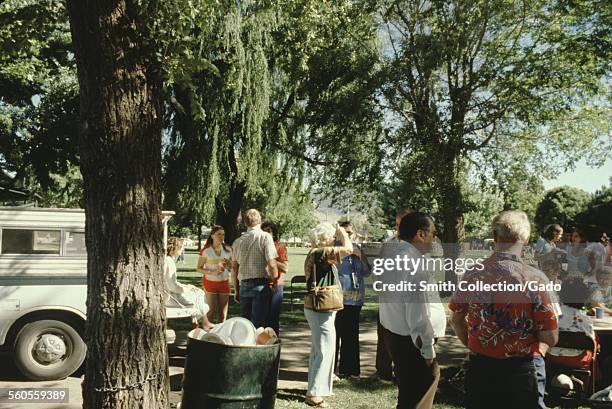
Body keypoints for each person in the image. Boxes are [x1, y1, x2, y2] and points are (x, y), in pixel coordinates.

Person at [450, 210, 559, 409]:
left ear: (494, 236)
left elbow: (457, 319)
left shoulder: (473, 273)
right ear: (525, 239)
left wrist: (475, 346)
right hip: (522, 369)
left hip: (481, 367)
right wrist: (540, 352)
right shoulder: (535, 278)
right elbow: (550, 336)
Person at [378, 212, 446, 409]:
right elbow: (417, 312)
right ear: (420, 234)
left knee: (408, 396)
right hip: (412, 341)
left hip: (395, 336)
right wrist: (427, 349)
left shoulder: (394, 258)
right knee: (420, 396)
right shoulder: (413, 263)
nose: (435, 238)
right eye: (433, 232)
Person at [303, 223, 353, 408]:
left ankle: (314, 389)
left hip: (315, 307)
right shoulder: (322, 253)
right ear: (326, 238)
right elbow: (349, 249)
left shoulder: (316, 253)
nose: (335, 239)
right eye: (332, 236)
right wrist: (342, 233)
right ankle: (315, 393)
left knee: (319, 349)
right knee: (325, 349)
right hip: (321, 308)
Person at [375, 208, 411, 381]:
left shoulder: (417, 243)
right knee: (383, 333)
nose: (398, 228)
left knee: (403, 335)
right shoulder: (390, 242)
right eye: (396, 224)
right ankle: (383, 371)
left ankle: (402, 370)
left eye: (402, 224)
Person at [334, 221, 371, 379]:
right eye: (345, 233)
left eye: (351, 233)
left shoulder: (358, 248)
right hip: (337, 298)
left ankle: (350, 370)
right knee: (334, 336)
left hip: (355, 299)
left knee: (351, 336)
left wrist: (360, 256)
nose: (348, 236)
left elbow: (367, 271)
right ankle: (331, 371)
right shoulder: (334, 247)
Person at [232, 209, 278, 328]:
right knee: (258, 325)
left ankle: (246, 345)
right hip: (260, 285)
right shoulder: (265, 237)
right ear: (260, 220)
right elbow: (272, 264)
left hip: (244, 284)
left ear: (245, 223)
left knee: (245, 325)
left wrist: (236, 289)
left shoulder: (238, 241)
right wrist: (274, 282)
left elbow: (234, 267)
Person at [164, 237, 213, 330]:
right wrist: (186, 289)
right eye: (181, 247)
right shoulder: (169, 262)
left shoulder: (168, 261)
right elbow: (172, 286)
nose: (182, 249)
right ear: (175, 248)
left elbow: (171, 282)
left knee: (197, 292)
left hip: (170, 293)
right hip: (170, 297)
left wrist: (187, 286)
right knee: (199, 294)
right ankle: (204, 323)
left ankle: (197, 324)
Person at [196, 226, 232, 324]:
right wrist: (212, 272)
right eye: (218, 234)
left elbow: (231, 267)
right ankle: (207, 337)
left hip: (224, 282)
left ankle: (220, 337)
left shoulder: (228, 250)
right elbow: (198, 268)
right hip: (210, 282)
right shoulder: (206, 251)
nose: (221, 236)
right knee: (211, 313)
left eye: (223, 234)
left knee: (223, 315)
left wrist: (229, 265)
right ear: (212, 235)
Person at [261, 221, 288, 335]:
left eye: (269, 231)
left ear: (274, 233)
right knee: (262, 317)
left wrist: (272, 260)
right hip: (262, 284)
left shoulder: (279, 247)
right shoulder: (259, 246)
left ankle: (275, 343)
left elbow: (285, 268)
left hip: (277, 285)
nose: (266, 234)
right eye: (264, 231)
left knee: (273, 318)